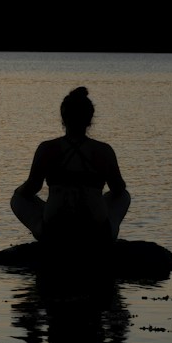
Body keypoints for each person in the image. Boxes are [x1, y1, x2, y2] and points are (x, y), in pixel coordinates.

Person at [10, 87, 130, 249]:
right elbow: (119, 189)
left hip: (54, 232)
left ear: (63, 118)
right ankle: (108, 235)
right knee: (124, 196)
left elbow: (32, 187)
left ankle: (46, 233)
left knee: (17, 198)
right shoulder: (103, 151)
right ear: (89, 119)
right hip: (97, 233)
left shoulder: (47, 149)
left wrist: (21, 192)